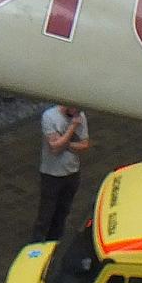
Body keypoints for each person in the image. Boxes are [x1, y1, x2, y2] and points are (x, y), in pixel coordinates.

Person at [34, 103, 90, 243]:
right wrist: (72, 127)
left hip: (72, 173)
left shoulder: (79, 116)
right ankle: (36, 244)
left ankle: (53, 242)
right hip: (51, 174)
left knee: (63, 212)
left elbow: (84, 144)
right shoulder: (49, 116)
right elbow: (54, 147)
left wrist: (65, 144)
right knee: (45, 214)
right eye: (75, 109)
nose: (78, 113)